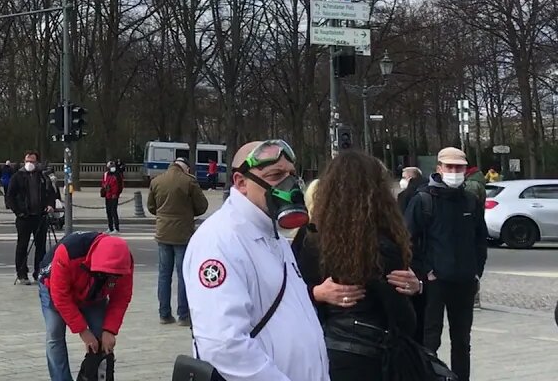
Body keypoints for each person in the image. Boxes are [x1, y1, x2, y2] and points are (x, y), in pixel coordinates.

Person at [183, 140, 329, 381]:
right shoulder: (220, 240)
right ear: (241, 182)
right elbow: (223, 344)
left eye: (291, 174)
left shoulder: (274, 237)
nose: (289, 184)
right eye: (275, 175)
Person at [292, 151, 425, 380]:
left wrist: (315, 293)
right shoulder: (382, 243)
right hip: (370, 353)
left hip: (318, 347)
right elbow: (403, 319)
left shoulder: (309, 237)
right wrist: (418, 290)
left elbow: (286, 291)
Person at [406, 146, 488, 381]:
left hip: (464, 281)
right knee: (431, 339)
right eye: (450, 167)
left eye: (459, 167)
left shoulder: (470, 201)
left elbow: (480, 240)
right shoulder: (423, 200)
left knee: (462, 341)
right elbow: (407, 240)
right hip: (435, 282)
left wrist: (476, 272)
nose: (454, 171)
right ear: (439, 168)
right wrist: (425, 272)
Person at [38, 231, 133, 381]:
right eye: (103, 274)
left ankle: (95, 376)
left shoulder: (124, 261)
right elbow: (61, 297)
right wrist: (83, 331)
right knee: (55, 334)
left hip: (93, 294)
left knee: (101, 337)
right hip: (53, 287)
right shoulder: (70, 252)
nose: (110, 277)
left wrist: (110, 330)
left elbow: (121, 297)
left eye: (113, 275)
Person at [147, 157, 208, 327]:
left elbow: (151, 207)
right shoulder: (189, 182)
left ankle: (164, 314)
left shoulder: (157, 180)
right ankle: (183, 315)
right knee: (183, 275)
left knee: (164, 275)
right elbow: (202, 206)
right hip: (183, 234)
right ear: (186, 168)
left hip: (163, 233)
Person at [7, 150, 59, 286]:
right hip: (24, 217)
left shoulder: (42, 176)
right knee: (22, 246)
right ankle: (22, 274)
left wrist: (50, 205)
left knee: (41, 247)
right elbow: (10, 196)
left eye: (32, 161)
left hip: (40, 217)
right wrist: (18, 212)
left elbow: (51, 193)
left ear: (37, 162)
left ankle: (39, 273)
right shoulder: (17, 176)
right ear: (24, 161)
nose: (30, 163)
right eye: (27, 161)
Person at [99, 161, 123, 232]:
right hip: (108, 195)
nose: (112, 168)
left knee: (114, 212)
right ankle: (110, 227)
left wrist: (116, 194)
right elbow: (103, 183)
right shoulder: (107, 175)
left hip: (114, 196)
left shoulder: (117, 175)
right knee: (108, 212)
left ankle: (116, 228)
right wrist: (105, 187)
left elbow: (120, 186)